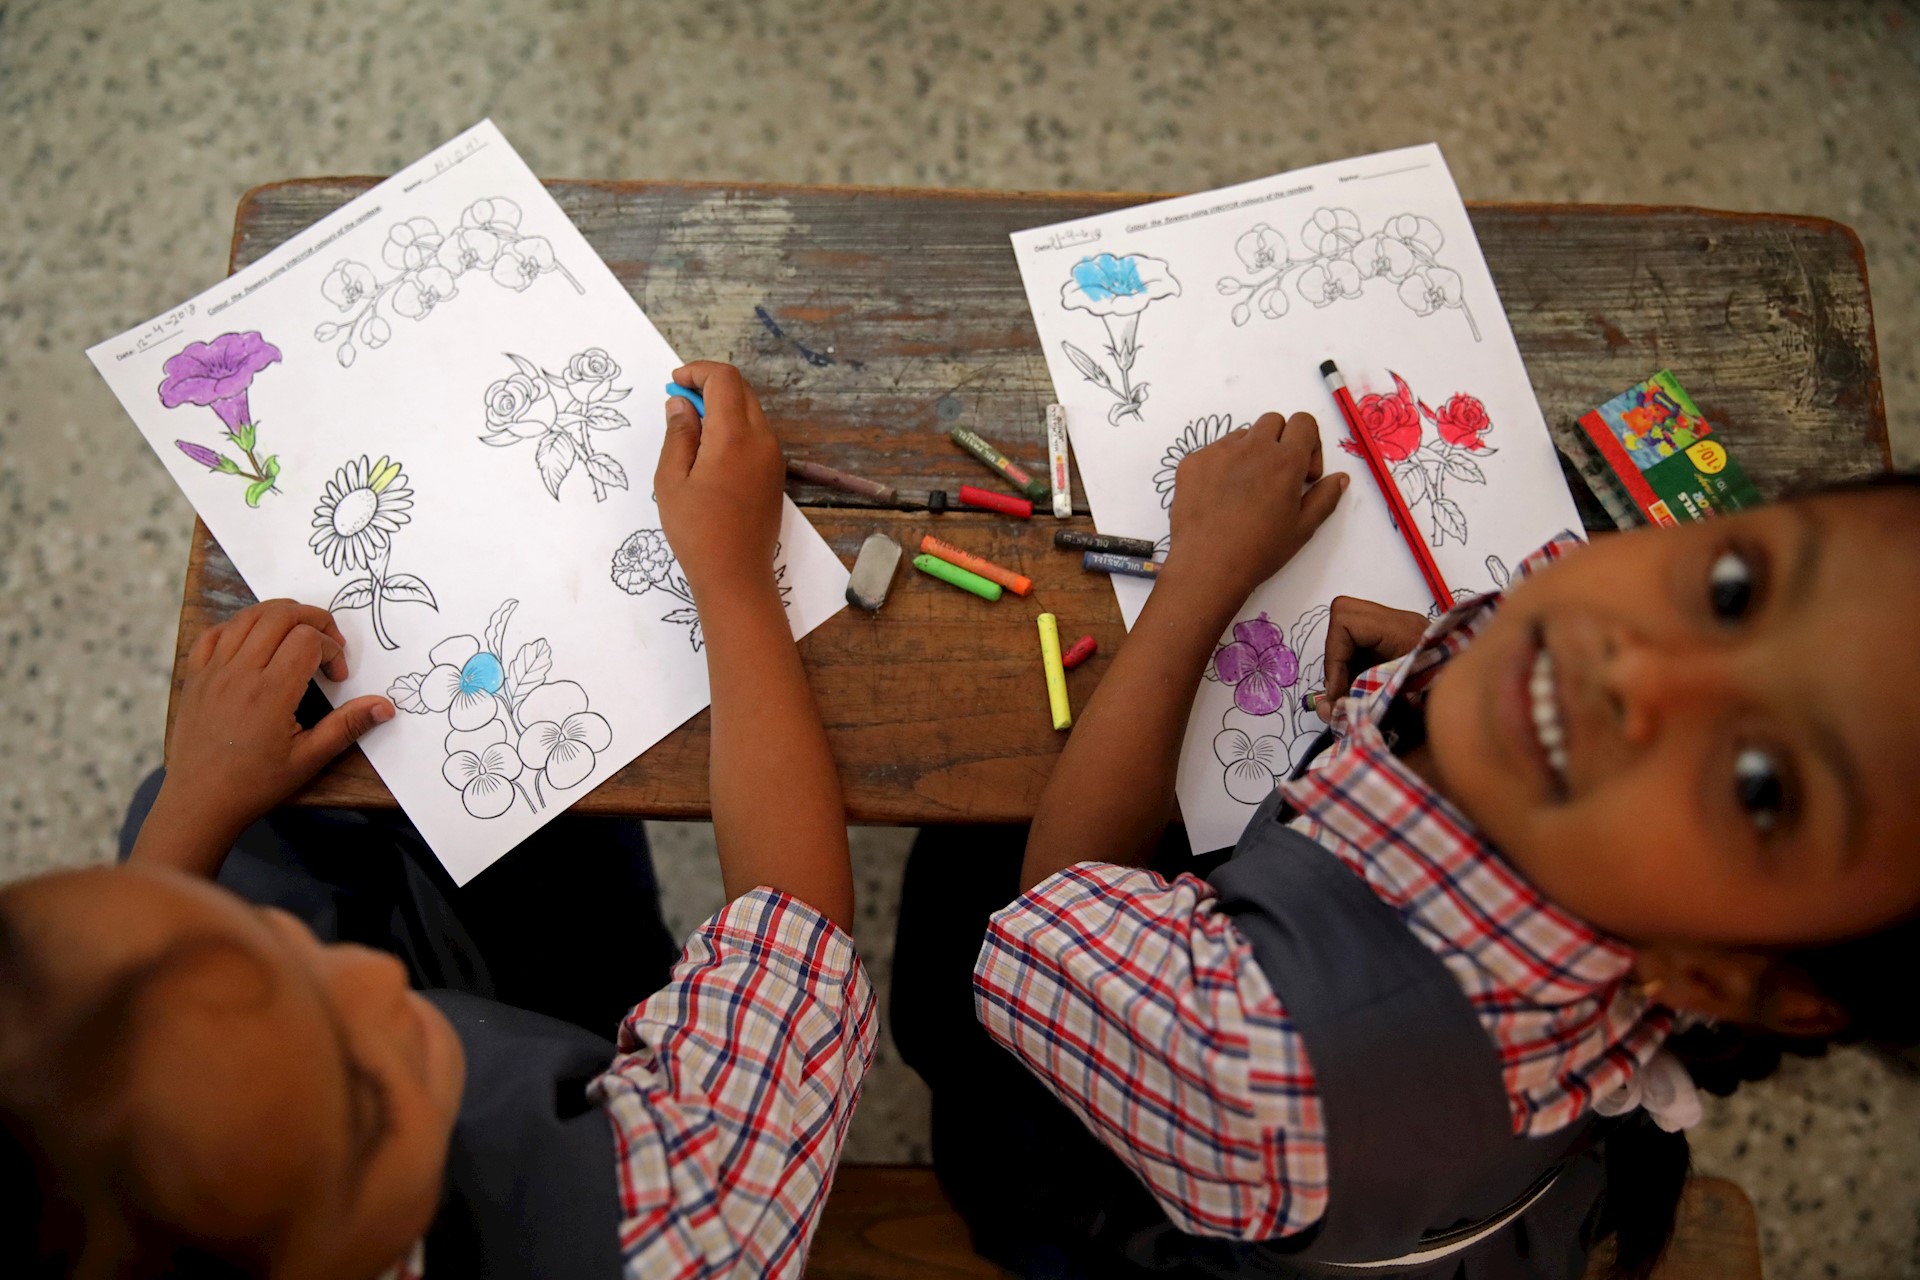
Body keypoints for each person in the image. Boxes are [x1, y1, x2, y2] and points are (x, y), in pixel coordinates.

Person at [893, 411, 1920, 1279]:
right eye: (1734, 591)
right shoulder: (1605, 824)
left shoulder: (1260, 1062)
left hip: (1151, 1158)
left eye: (1758, 784)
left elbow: (1057, 899)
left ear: (1741, 975)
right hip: (1411, 1134)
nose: (1636, 670)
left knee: (957, 895)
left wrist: (1202, 569)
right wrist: (1439, 660)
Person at [0, 362, 871, 1279]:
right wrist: (735, 580)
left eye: (297, 954)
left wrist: (189, 814)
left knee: (213, 807)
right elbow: (794, 938)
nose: (379, 989)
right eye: (362, 1091)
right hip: (597, 1092)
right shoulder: (680, 1235)